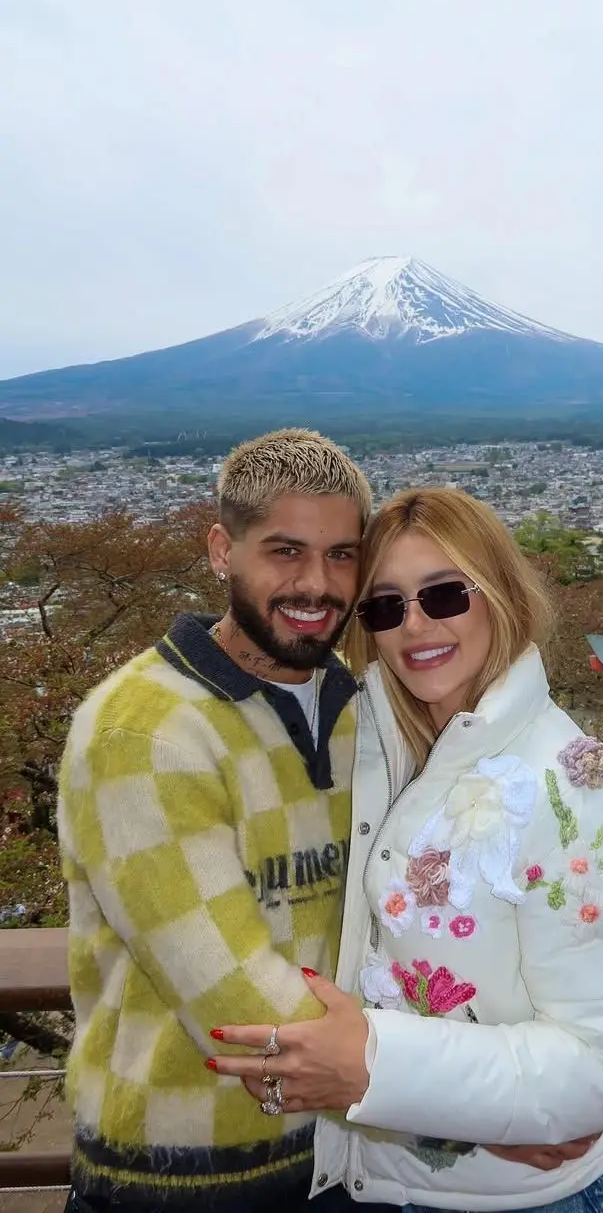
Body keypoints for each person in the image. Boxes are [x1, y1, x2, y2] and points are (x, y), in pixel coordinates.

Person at [209, 486, 603, 1213]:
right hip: (394, 1185)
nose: (416, 625)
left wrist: (375, 1067)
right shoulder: (376, 742)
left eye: (445, 594)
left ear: (500, 594)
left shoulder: (572, 791)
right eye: (385, 606)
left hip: (537, 1200)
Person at [56, 428, 391, 1213]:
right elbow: (233, 998)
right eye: (285, 551)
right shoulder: (144, 730)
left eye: (341, 555)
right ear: (221, 550)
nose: (316, 584)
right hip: (181, 1175)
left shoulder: (360, 705)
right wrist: (465, 1099)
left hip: (348, 1156)